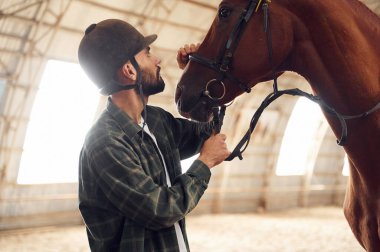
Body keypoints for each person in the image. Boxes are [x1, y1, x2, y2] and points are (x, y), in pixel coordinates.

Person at [77, 19, 230, 252]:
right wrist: (205, 163)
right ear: (129, 70)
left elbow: (207, 132)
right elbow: (160, 209)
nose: (157, 60)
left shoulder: (156, 120)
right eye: (147, 54)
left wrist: (199, 72)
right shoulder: (105, 142)